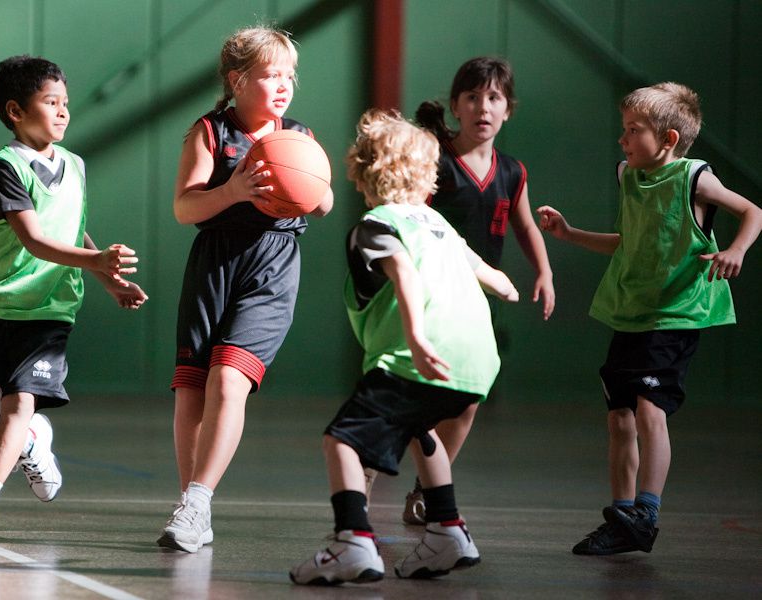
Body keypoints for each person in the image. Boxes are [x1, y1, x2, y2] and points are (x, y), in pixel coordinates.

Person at [290, 109, 519, 585]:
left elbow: (404, 275)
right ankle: (447, 530)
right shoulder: (439, 226)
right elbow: (496, 280)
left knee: (342, 440)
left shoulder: (375, 226)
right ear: (428, 177)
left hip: (415, 355)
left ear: (361, 172)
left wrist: (415, 337)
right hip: (476, 363)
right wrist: (509, 288)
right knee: (423, 430)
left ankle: (352, 539)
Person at [537, 82, 762, 555]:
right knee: (619, 417)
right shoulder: (628, 176)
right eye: (623, 129)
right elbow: (629, 241)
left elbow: (753, 211)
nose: (622, 139)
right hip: (631, 311)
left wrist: (736, 249)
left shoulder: (694, 178)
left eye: (633, 130)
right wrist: (570, 233)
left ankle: (646, 510)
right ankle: (623, 518)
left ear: (669, 139)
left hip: (676, 314)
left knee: (649, 409)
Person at [0, 55, 148, 546]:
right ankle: (34, 440)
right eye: (50, 102)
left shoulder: (74, 165)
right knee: (5, 418)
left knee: (16, 407)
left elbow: (69, 230)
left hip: (49, 308)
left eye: (65, 103)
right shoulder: (4, 171)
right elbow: (35, 240)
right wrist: (97, 260)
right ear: (15, 110)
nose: (62, 113)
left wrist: (106, 278)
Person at [159, 25, 333, 553]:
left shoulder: (297, 137)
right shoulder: (210, 132)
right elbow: (185, 207)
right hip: (216, 263)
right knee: (192, 389)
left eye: (289, 76)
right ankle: (193, 505)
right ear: (236, 80)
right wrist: (233, 190)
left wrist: (308, 184)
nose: (283, 85)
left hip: (272, 266)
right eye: (270, 75)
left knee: (228, 382)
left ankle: (198, 500)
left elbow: (323, 204)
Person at [375, 56, 554, 526]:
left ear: (508, 109)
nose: (483, 106)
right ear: (456, 105)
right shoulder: (435, 162)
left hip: (475, 300)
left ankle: (423, 488)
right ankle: (365, 482)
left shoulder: (512, 172)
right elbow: (405, 216)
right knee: (415, 392)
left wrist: (544, 271)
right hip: (431, 294)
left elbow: (525, 225)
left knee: (468, 398)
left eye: (493, 97)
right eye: (472, 96)